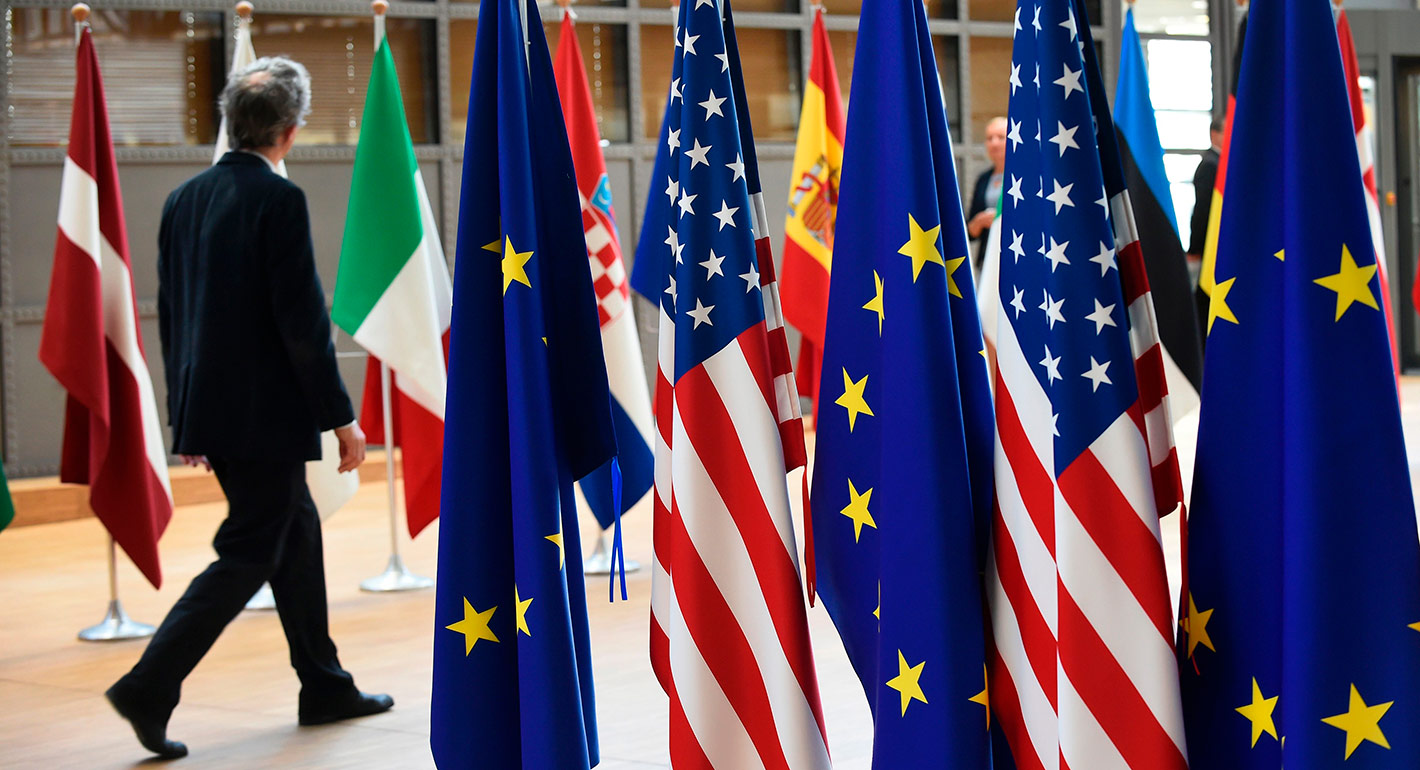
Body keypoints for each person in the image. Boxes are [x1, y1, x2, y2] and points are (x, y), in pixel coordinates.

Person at [105, 57, 390, 760]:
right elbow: (301, 323)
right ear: (290, 131)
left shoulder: (183, 199)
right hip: (267, 420)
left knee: (295, 536)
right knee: (250, 551)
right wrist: (341, 417)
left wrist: (185, 416)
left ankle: (324, 684)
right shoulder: (279, 200)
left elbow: (174, 318)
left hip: (215, 411)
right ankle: (149, 685)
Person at [965, 116, 1008, 268]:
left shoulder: (1025, 178)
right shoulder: (983, 179)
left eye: (1001, 137)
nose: (994, 143)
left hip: (1014, 255)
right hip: (987, 259)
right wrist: (979, 221)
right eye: (990, 138)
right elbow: (969, 232)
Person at [1187, 116, 1226, 262]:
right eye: (1227, 131)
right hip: (1210, 244)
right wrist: (1194, 248)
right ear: (1214, 134)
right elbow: (1202, 209)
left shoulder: (1222, 162)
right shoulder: (1210, 165)